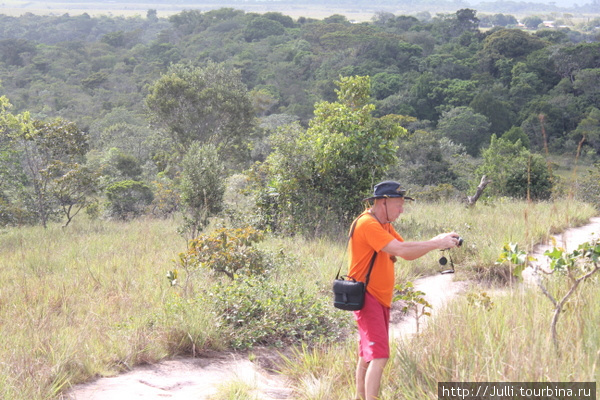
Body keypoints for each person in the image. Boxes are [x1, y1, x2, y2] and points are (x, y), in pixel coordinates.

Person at [348, 180, 460, 400]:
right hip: (368, 296)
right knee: (379, 356)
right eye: (398, 204)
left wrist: (436, 241)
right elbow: (399, 248)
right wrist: (436, 243)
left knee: (367, 355)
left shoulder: (384, 224)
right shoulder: (367, 224)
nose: (402, 210)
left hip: (378, 297)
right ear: (383, 202)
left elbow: (406, 252)